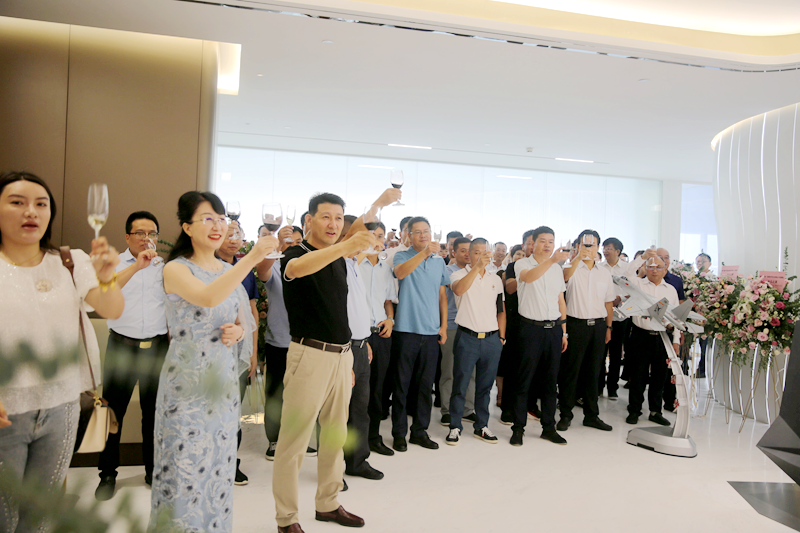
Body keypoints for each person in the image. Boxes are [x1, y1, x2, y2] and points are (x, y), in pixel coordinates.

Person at [0, 171, 124, 533]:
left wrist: (107, 277)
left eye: (41, 204)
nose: (31, 212)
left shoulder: (70, 261)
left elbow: (112, 308)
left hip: (62, 406)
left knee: (39, 515)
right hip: (7, 409)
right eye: (17, 202)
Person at [147, 191, 273, 533]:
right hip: (186, 386)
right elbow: (207, 297)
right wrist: (252, 257)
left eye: (221, 219)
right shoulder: (176, 268)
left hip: (223, 384)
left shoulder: (228, 269)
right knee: (182, 472)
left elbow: (242, 320)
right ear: (187, 227)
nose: (218, 226)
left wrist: (237, 331)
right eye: (208, 219)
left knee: (217, 471)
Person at [273, 192, 378, 533]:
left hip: (341, 356)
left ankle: (328, 504)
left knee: (335, 435)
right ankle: (286, 518)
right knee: (294, 442)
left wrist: (347, 356)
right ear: (309, 221)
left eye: (339, 218)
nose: (334, 224)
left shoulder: (338, 258)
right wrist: (344, 246)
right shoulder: (296, 253)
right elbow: (295, 270)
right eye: (326, 217)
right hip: (309, 356)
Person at [95, 210, 169, 501]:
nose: (146, 238)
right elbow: (104, 291)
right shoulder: (114, 264)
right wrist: (138, 266)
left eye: (152, 233)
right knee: (113, 414)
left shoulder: (165, 267)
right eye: (140, 233)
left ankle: (153, 471)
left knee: (154, 415)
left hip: (157, 348)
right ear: (127, 237)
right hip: (122, 348)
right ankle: (107, 474)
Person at [391, 216, 448, 452]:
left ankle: (419, 432)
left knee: (425, 386)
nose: (423, 235)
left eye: (427, 231)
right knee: (401, 385)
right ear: (409, 235)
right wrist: (424, 254)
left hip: (431, 332)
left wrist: (443, 326)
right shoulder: (401, 256)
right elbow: (400, 273)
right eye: (418, 232)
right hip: (406, 330)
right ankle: (399, 433)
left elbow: (442, 295)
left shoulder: (439, 261)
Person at [510, 226, 570, 446]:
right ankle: (518, 428)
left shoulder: (556, 269)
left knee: (550, 382)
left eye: (551, 241)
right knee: (523, 380)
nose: (547, 245)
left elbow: (560, 300)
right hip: (530, 329)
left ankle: (548, 428)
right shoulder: (522, 264)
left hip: (554, 329)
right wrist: (552, 260)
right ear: (533, 243)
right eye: (543, 241)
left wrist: (564, 331)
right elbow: (528, 278)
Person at [256, 224, 311, 461]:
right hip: (279, 341)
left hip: (306, 342)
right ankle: (274, 440)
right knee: (276, 395)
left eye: (297, 242)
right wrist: (277, 245)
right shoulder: (275, 268)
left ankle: (297, 439)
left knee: (301, 396)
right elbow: (261, 270)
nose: (292, 246)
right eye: (288, 242)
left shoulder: (308, 267)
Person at [445, 238, 506, 445]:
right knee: (460, 384)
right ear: (469, 254)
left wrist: (501, 337)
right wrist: (477, 268)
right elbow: (459, 290)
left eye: (484, 252)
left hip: (491, 339)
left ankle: (482, 425)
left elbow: (500, 310)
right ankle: (455, 426)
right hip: (467, 337)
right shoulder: (457, 274)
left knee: (485, 386)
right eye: (477, 252)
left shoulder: (495, 279)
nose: (481, 256)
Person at [558, 230, 615, 433]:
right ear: (578, 246)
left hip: (598, 326)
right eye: (585, 244)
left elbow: (608, 302)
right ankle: (565, 414)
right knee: (571, 372)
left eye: (593, 245)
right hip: (575, 325)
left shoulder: (604, 273)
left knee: (594, 372)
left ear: (598, 247)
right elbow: (564, 279)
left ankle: (592, 415)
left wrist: (609, 327)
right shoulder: (570, 268)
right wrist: (577, 258)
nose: (589, 248)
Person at [216, 221, 260, 486]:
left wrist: (253, 352)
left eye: (238, 235)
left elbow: (253, 311)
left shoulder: (246, 270)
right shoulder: (206, 268)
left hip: (240, 349)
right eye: (228, 234)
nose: (233, 239)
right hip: (213, 350)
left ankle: (232, 462)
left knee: (234, 409)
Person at [624, 255, 680, 426]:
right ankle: (634, 410)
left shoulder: (670, 290)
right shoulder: (638, 285)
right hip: (641, 335)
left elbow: (677, 317)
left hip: (662, 337)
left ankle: (656, 411)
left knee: (659, 376)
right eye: (650, 266)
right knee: (637, 375)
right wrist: (642, 258)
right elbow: (627, 274)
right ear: (645, 268)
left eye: (658, 267)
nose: (654, 270)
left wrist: (676, 340)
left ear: (665, 269)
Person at [358, 222, 397, 457]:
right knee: (358, 392)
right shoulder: (353, 265)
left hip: (381, 335)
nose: (377, 240)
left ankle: (374, 438)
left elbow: (387, 301)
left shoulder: (385, 269)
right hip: (358, 337)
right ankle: (354, 442)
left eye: (380, 236)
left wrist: (390, 319)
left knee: (378, 390)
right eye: (372, 235)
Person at [439, 237, 477, 426]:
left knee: (470, 372)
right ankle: (447, 410)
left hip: (472, 327)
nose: (467, 254)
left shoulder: (477, 271)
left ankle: (468, 409)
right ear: (453, 252)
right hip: (452, 325)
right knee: (449, 370)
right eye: (463, 250)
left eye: (470, 250)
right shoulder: (448, 271)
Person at [498, 231, 535, 423]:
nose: (533, 247)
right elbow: (510, 289)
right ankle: (508, 408)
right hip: (516, 322)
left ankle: (530, 405)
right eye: (530, 243)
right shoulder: (514, 266)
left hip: (536, 323)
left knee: (533, 367)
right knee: (513, 366)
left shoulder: (547, 267)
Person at [654, 248, 686, 412]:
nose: (664, 261)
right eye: (660, 257)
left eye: (666, 257)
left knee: (668, 368)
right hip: (649, 329)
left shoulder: (676, 281)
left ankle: (669, 402)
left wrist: (678, 334)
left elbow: (680, 308)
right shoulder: (647, 278)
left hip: (669, 330)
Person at [597, 237, 629, 400]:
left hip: (621, 316)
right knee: (600, 353)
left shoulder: (626, 268)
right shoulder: (599, 267)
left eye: (609, 248)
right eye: (604, 248)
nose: (605, 251)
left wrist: (619, 298)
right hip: (602, 315)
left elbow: (632, 289)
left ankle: (612, 387)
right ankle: (598, 386)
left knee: (616, 354)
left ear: (618, 251)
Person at [695, 253, 712, 377]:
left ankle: (702, 369)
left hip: (707, 317)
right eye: (698, 262)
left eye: (702, 262)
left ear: (709, 264)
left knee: (704, 345)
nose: (699, 264)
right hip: (694, 315)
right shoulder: (694, 279)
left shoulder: (713, 279)